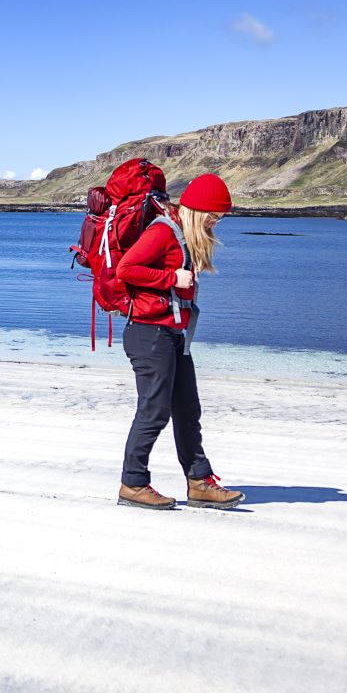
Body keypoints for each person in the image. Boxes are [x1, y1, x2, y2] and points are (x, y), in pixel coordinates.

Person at [112, 172, 244, 510]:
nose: (215, 224)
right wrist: (172, 277)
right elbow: (126, 269)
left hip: (172, 333)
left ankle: (199, 481)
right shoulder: (162, 231)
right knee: (154, 411)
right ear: (198, 211)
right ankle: (133, 483)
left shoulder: (183, 232)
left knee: (187, 410)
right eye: (213, 217)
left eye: (220, 218)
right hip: (148, 333)